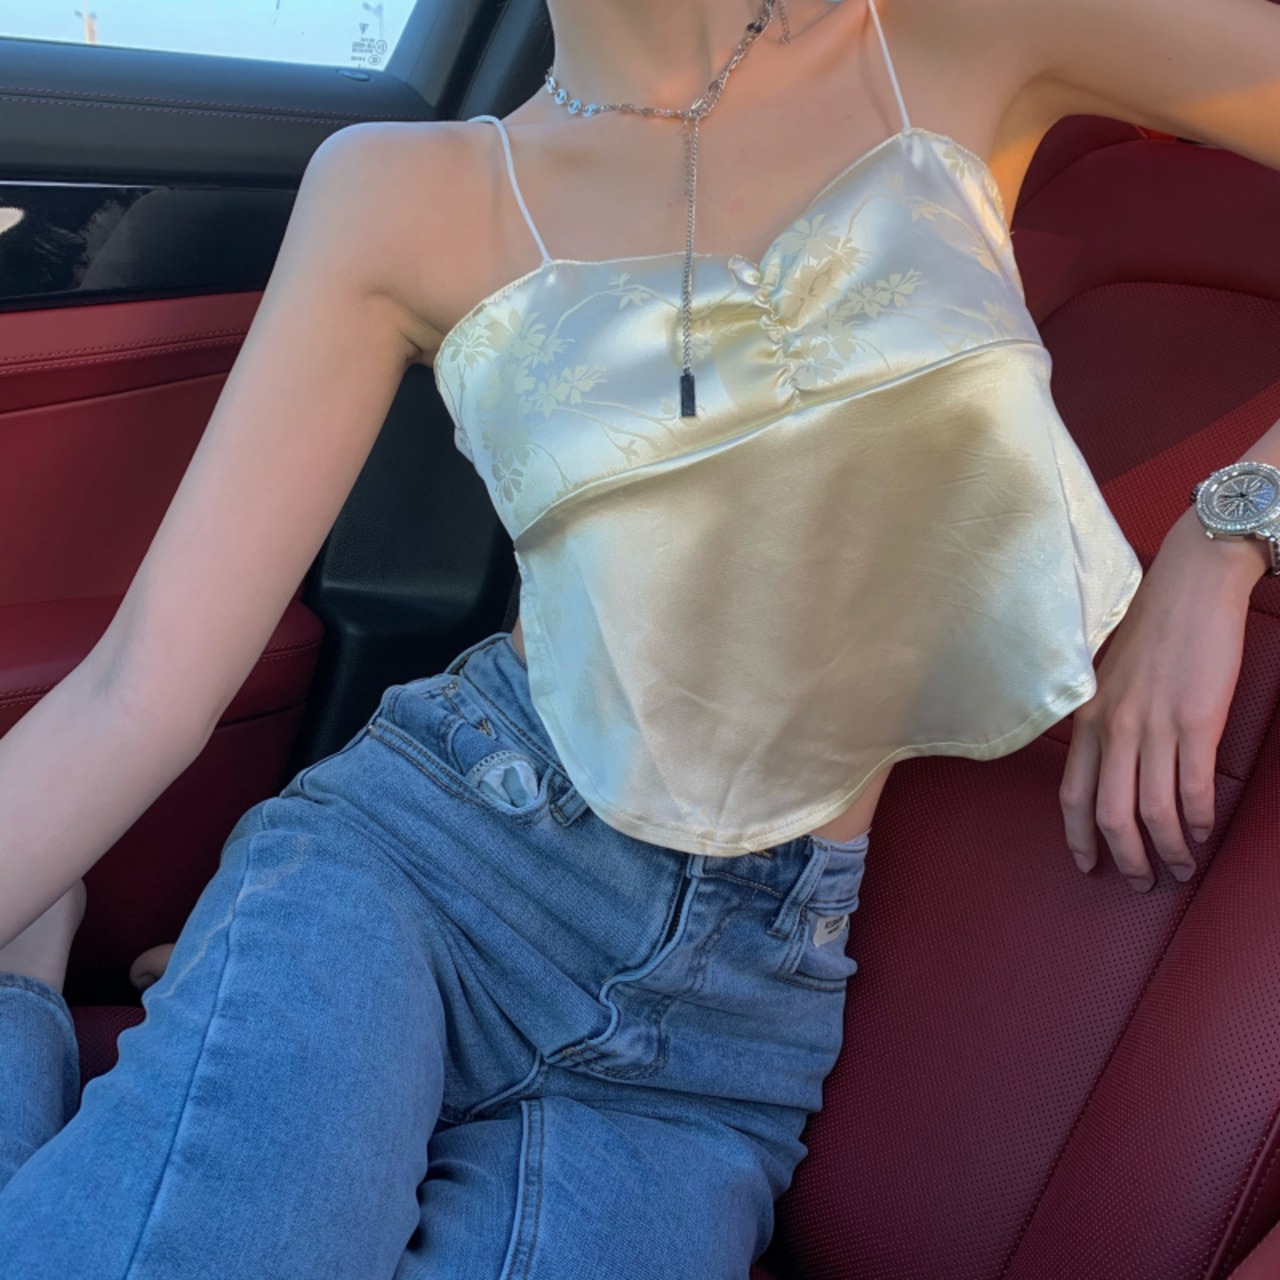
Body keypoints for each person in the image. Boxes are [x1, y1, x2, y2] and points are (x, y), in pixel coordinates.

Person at [1, 0, 1277, 1276]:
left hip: (730, 1014)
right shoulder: (397, 194)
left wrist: (1225, 531)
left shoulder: (956, 28)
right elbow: (136, 688)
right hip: (427, 866)